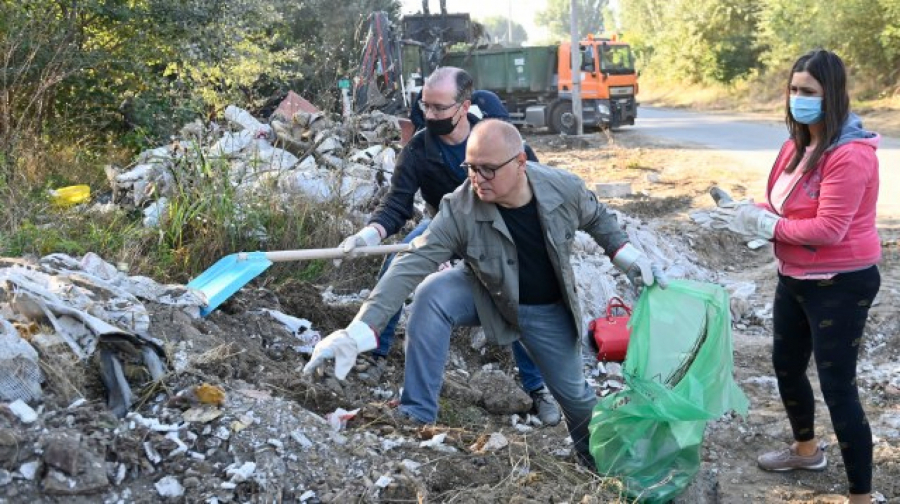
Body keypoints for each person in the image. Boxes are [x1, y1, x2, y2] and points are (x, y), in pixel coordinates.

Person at [308, 119, 668, 468]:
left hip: (545, 309)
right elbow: (412, 263)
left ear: (521, 163)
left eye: (488, 170)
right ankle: (416, 412)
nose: (477, 179)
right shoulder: (459, 207)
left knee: (576, 398)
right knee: (432, 293)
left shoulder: (563, 188)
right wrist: (360, 328)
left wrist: (628, 257)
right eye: (471, 168)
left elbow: (598, 219)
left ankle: (599, 465)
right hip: (487, 293)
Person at [339, 67, 560, 425]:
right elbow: (397, 204)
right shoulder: (419, 149)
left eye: (440, 108)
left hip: (500, 233)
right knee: (399, 261)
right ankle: (374, 352)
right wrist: (369, 234)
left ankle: (537, 388)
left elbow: (539, 199)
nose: (431, 116)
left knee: (518, 292)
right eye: (426, 107)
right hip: (443, 226)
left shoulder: (503, 144)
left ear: (464, 106)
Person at [710, 50, 881, 504]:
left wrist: (764, 226)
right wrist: (745, 213)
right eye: (793, 89)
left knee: (838, 387)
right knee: (786, 367)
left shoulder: (850, 154)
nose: (798, 99)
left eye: (809, 92)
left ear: (834, 96)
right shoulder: (797, 144)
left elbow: (829, 228)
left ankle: (861, 495)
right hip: (795, 275)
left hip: (841, 282)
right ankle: (806, 450)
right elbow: (788, 207)